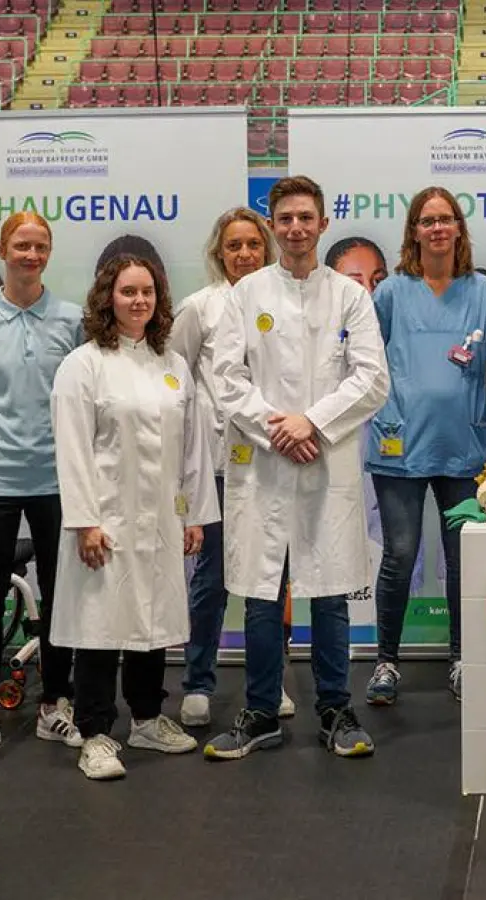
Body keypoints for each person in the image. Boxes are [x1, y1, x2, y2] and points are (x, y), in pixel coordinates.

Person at [203, 175, 390, 761]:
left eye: (306, 217)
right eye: (285, 218)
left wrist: (312, 422)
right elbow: (225, 378)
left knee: (330, 590)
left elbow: (372, 378)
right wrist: (277, 428)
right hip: (264, 464)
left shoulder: (350, 297)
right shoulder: (245, 294)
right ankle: (260, 712)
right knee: (262, 593)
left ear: (323, 223)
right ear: (272, 223)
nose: (295, 228)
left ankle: (336, 709)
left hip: (325, 461)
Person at [50, 253, 217, 779]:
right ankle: (96, 732)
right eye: (128, 292)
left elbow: (193, 450)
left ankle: (147, 718)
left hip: (162, 519)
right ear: (108, 298)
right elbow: (72, 449)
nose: (138, 301)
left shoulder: (172, 365)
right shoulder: (84, 365)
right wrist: (83, 521)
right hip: (107, 521)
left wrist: (194, 515)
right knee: (101, 627)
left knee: (154, 621)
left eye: (147, 292)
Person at [363, 186, 486, 706]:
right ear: (413, 231)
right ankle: (386, 661)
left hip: (464, 447)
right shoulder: (390, 294)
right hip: (398, 445)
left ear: (458, 229)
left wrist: (463, 397)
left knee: (461, 557)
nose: (436, 228)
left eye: (445, 219)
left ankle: (461, 660)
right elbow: (366, 361)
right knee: (400, 556)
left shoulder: (482, 292)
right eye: (427, 220)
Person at [0, 212, 84, 762]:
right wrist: (4, 445)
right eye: (22, 246)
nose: (31, 255)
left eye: (41, 246)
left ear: (48, 253)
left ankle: (56, 704)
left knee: (62, 595)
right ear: (3, 248)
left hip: (59, 480)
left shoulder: (71, 320)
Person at [170, 207, 295, 728]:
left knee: (272, 580)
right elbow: (173, 379)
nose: (244, 254)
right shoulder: (200, 307)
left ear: (266, 248)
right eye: (233, 246)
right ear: (219, 254)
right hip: (218, 465)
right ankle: (199, 682)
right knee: (212, 580)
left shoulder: (284, 299)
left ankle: (272, 682)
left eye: (252, 245)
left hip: (275, 462)